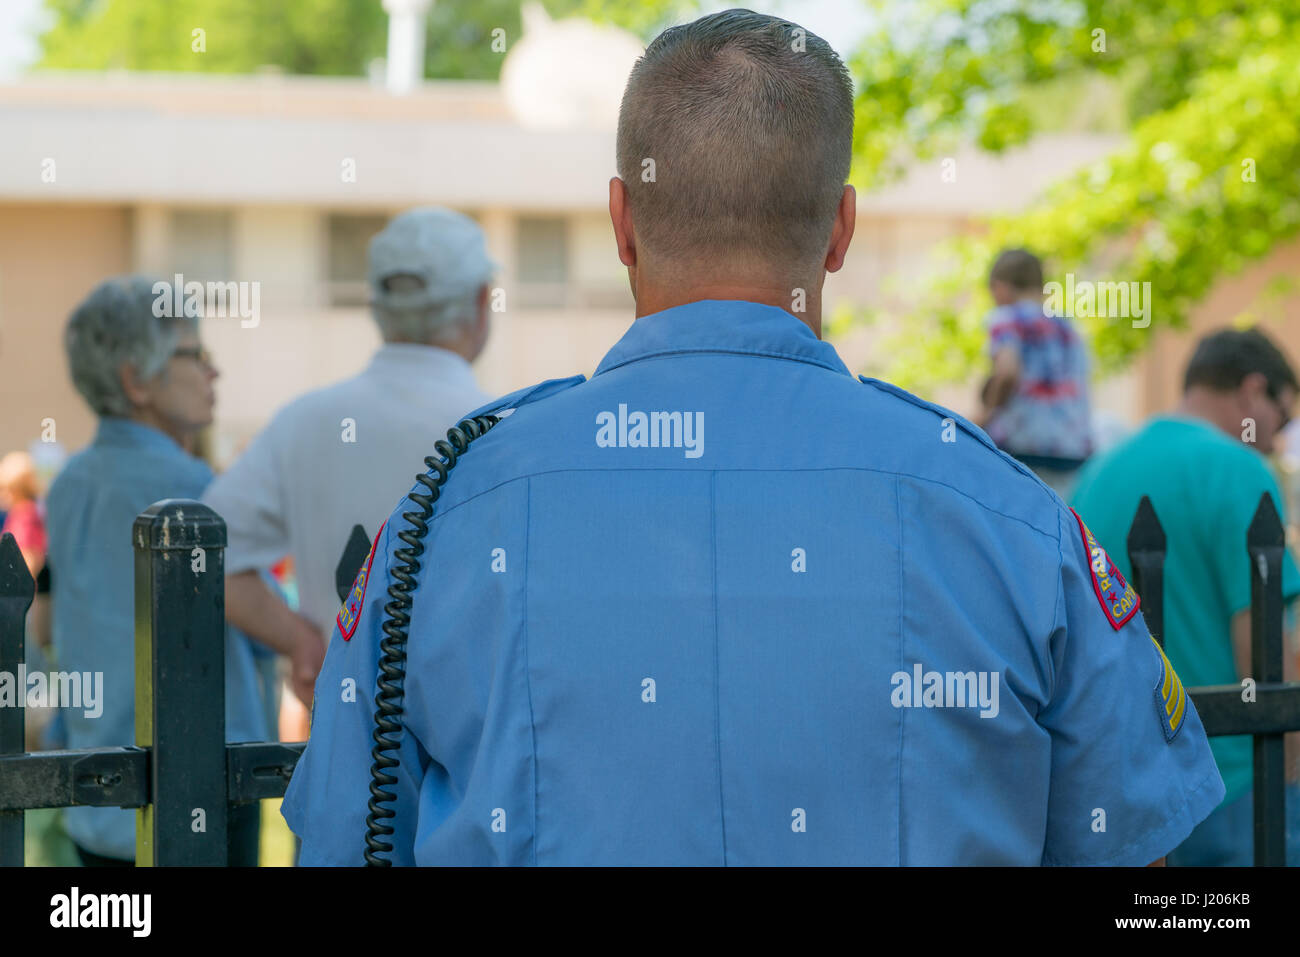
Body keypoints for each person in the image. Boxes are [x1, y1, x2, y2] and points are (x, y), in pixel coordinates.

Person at [284, 9, 1222, 866]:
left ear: (621, 222)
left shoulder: (452, 512)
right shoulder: (1010, 516)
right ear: (841, 230)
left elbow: (343, 839)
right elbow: (1142, 861)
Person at [201, 207, 494, 715]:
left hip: (343, 739)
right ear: (482, 301)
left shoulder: (304, 421)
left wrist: (301, 642)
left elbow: (202, 554)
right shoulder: (503, 427)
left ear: (376, 307)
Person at [45, 276, 269, 866]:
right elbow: (252, 605)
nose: (213, 373)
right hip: (201, 789)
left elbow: (52, 618)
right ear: (135, 379)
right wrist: (302, 635)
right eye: (195, 355)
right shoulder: (194, 488)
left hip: (97, 786)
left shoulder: (67, 483)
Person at [1071, 327, 1300, 866]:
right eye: (1282, 418)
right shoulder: (1239, 468)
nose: (1274, 440)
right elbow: (1263, 656)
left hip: (1127, 791)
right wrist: (1290, 775)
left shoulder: (1099, 472)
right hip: (1233, 785)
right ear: (1252, 391)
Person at [976, 248, 1093, 499]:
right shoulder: (1070, 327)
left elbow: (1008, 372)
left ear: (1001, 287)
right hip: (1072, 449)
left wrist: (984, 415)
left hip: (1023, 444)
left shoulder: (1005, 318)